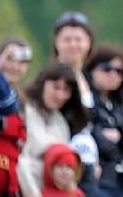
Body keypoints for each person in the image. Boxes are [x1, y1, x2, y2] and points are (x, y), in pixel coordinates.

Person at [18, 63, 90, 197]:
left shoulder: (61, 123)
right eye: (56, 87)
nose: (60, 95)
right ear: (43, 84)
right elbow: (22, 160)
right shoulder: (23, 111)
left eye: (66, 90)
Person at [86, 45, 123, 197]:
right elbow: (100, 143)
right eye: (106, 68)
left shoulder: (119, 105)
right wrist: (121, 143)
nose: (113, 74)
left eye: (119, 71)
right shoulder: (86, 101)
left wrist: (121, 136)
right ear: (92, 69)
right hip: (99, 183)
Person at [52, 11, 99, 196]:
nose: (73, 45)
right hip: (62, 167)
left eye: (79, 39)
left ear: (88, 43)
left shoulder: (90, 79)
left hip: (88, 165)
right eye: (67, 39)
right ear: (57, 42)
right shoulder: (53, 78)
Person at [0, 37, 34, 197]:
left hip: (8, 178)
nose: (16, 67)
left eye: (22, 62)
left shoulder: (23, 99)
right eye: (10, 59)